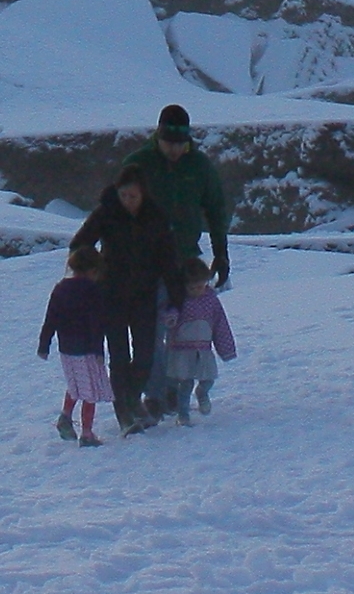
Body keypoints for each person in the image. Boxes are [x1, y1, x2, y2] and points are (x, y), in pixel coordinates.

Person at [75, 165, 185, 434]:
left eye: (133, 196)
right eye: (123, 195)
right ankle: (123, 413)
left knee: (146, 354)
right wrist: (95, 270)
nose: (128, 201)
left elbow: (168, 259)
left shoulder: (156, 217)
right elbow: (80, 243)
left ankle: (132, 399)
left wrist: (176, 297)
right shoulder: (106, 212)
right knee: (119, 356)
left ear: (143, 194)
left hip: (144, 295)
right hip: (111, 295)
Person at [124, 105, 232, 290]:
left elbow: (216, 210)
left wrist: (221, 254)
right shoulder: (138, 164)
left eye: (179, 143)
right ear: (158, 135)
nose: (174, 149)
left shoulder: (199, 166)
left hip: (185, 260)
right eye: (168, 143)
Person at [37, 243, 110, 446]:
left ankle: (66, 416)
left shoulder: (60, 289)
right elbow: (96, 322)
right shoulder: (93, 291)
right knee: (91, 391)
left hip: (67, 348)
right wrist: (98, 349)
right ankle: (87, 433)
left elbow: (50, 318)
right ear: (94, 270)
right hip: (86, 348)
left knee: (76, 383)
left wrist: (44, 344)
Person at [162, 257, 237, 422]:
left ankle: (202, 393)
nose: (197, 290)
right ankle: (183, 414)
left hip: (203, 349)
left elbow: (220, 324)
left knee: (208, 378)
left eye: (201, 286)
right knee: (185, 383)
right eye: (192, 287)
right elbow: (168, 316)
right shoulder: (178, 300)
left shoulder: (211, 301)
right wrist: (170, 318)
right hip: (182, 350)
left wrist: (226, 348)